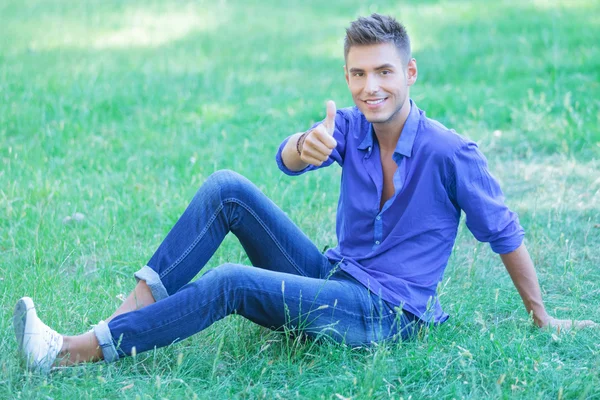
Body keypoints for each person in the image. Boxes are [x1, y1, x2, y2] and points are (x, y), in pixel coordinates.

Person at [14, 13, 597, 374]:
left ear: (410, 73)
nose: (371, 88)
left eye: (384, 73)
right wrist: (302, 145)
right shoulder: (349, 126)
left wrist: (540, 315)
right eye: (358, 74)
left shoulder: (452, 153)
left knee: (231, 283)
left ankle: (70, 352)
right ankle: (124, 319)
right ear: (348, 76)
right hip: (335, 278)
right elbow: (287, 159)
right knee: (227, 189)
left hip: (386, 312)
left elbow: (505, 233)